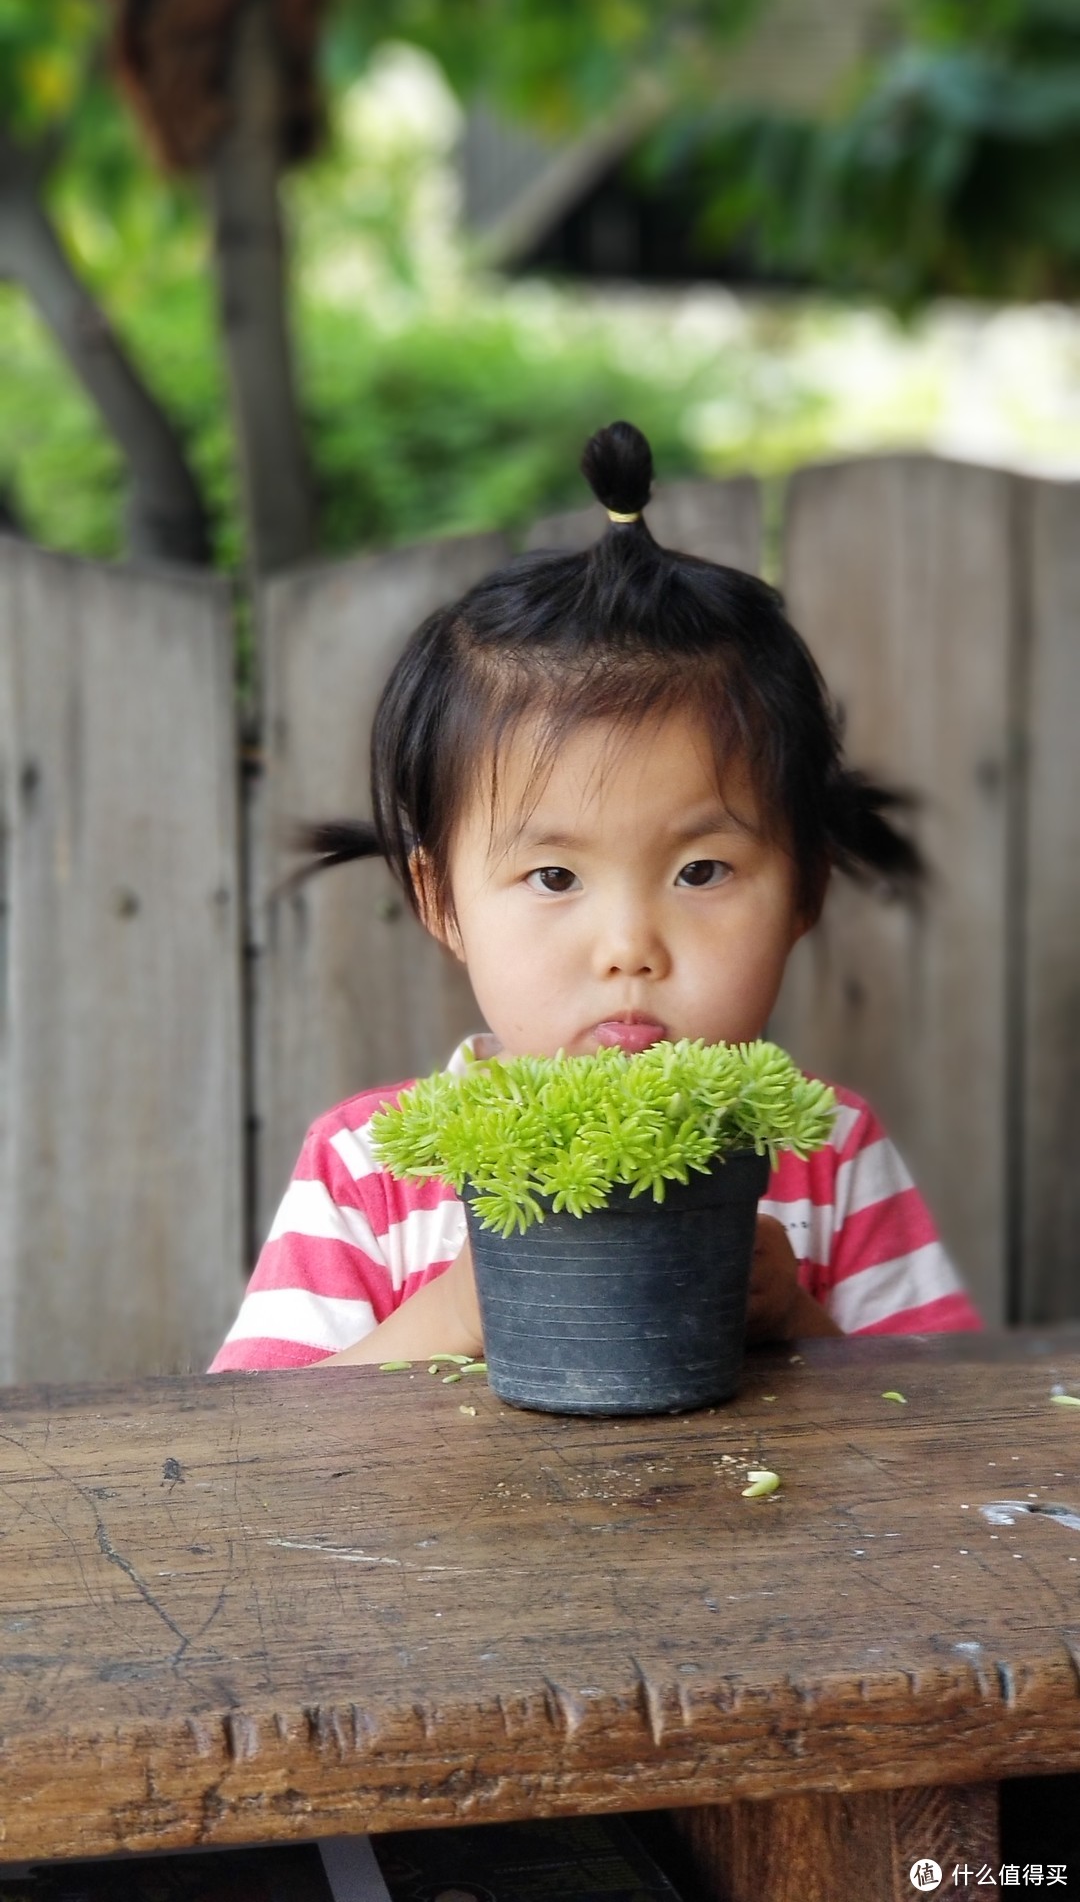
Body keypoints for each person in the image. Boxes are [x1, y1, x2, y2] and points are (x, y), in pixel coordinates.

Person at [209, 421, 981, 1374]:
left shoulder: (827, 1157)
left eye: (701, 872)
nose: (628, 949)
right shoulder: (371, 1170)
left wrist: (798, 1318)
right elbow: (248, 1451)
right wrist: (456, 1312)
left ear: (807, 889)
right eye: (555, 877)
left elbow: (952, 1434)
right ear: (440, 900)